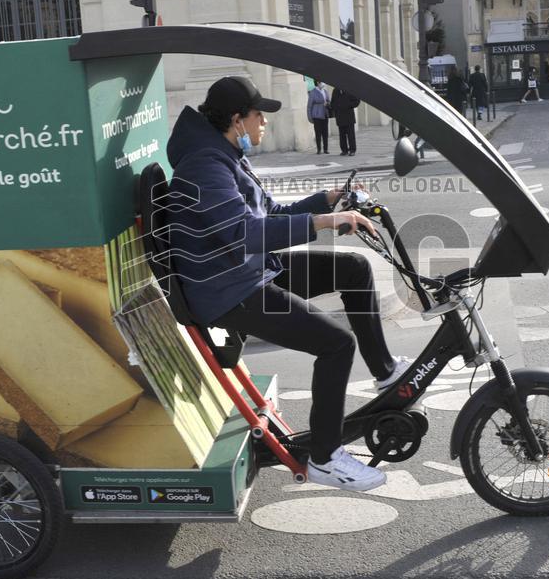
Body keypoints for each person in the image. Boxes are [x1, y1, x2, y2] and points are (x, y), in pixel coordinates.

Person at [166, 76, 411, 491]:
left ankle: (385, 372)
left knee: (353, 268)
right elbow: (245, 233)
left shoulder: (224, 156)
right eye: (259, 114)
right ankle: (325, 458)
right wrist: (324, 222)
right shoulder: (205, 166)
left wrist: (327, 199)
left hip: (247, 270)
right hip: (229, 291)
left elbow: (269, 214)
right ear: (236, 120)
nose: (264, 122)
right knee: (336, 344)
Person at [330, 87, 361, 156]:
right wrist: (336, 107)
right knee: (342, 135)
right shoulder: (335, 91)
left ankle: (352, 150)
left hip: (349, 116)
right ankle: (344, 150)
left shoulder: (350, 89)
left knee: (351, 135)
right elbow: (332, 103)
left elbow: (357, 101)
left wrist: (348, 105)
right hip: (340, 117)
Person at [307, 79, 330, 154]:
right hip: (316, 115)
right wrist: (310, 117)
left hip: (325, 114)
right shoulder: (313, 92)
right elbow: (309, 106)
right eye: (322, 82)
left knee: (325, 133)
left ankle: (326, 149)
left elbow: (328, 100)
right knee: (318, 133)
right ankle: (319, 149)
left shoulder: (325, 91)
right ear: (318, 82)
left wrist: (327, 103)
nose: (323, 83)